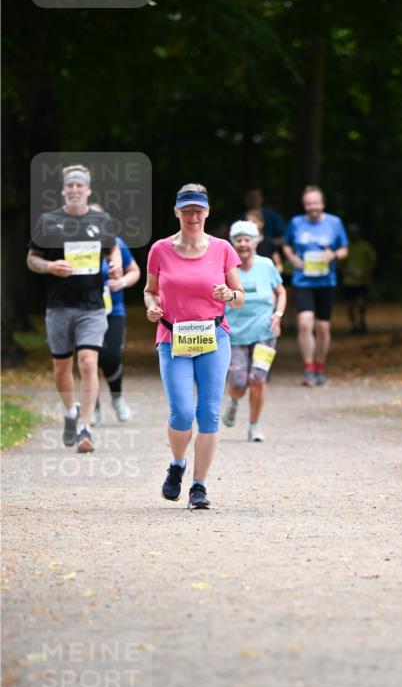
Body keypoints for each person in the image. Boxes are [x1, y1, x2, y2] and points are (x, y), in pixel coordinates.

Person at [144, 183, 244, 509]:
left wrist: (229, 294)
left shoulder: (222, 249)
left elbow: (239, 296)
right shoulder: (160, 249)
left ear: (207, 212)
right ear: (176, 212)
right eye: (187, 210)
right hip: (173, 337)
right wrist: (152, 306)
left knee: (209, 413)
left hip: (213, 336)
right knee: (183, 411)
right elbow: (149, 290)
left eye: (199, 210)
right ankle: (177, 464)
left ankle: (199, 486)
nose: (193, 216)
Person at [27, 164, 121, 453]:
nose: (75, 189)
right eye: (70, 185)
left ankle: (85, 427)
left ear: (88, 190)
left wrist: (115, 264)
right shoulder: (48, 221)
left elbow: (113, 249)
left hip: (92, 306)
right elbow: (32, 259)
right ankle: (71, 411)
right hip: (58, 306)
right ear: (63, 190)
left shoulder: (101, 220)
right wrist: (49, 266)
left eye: (80, 185)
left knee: (89, 362)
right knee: (61, 368)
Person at [222, 220, 286, 441]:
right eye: (238, 240)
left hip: (265, 333)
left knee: (258, 378)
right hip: (235, 335)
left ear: (256, 242)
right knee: (239, 382)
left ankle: (254, 426)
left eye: (247, 239)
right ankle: (234, 400)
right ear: (233, 243)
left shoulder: (266, 265)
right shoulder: (226, 268)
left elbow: (281, 291)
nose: (243, 244)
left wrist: (278, 315)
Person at [283, 185, 349, 386]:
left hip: (326, 281)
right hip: (303, 280)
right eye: (308, 203)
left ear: (323, 203)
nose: (312, 207)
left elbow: (344, 249)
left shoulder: (334, 223)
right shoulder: (296, 223)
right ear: (304, 205)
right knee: (305, 323)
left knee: (322, 327)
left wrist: (333, 255)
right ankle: (308, 368)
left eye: (315, 203)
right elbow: (286, 245)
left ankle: (320, 366)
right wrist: (293, 258)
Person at [93, 231, 141, 424]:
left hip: (114, 311)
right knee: (89, 360)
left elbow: (135, 271)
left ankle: (117, 396)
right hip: (84, 311)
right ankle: (93, 408)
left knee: (111, 356)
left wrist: (122, 282)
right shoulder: (76, 243)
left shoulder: (116, 243)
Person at [341, 223, 377, 333]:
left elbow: (372, 260)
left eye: (355, 233)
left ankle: (362, 321)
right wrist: (343, 270)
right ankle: (353, 324)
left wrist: (368, 272)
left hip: (362, 281)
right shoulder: (345, 247)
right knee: (350, 305)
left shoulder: (365, 246)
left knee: (362, 303)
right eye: (351, 233)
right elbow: (339, 262)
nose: (353, 235)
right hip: (348, 281)